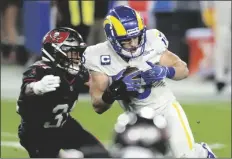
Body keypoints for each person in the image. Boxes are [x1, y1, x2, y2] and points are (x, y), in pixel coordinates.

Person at [83, 5, 216, 158]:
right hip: (136, 119)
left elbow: (183, 70)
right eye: (127, 40)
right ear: (113, 39)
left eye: (137, 37)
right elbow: (98, 105)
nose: (133, 44)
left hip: (166, 109)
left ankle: (203, 154)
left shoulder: (152, 41)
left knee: (185, 156)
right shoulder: (99, 56)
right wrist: (115, 91)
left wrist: (165, 71)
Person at [17, 27, 110, 158]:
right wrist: (36, 87)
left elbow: (96, 82)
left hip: (64, 125)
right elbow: (26, 89)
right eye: (72, 52)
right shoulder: (41, 70)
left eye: (78, 53)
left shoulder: (78, 72)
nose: (77, 57)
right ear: (56, 52)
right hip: (37, 132)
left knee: (100, 154)